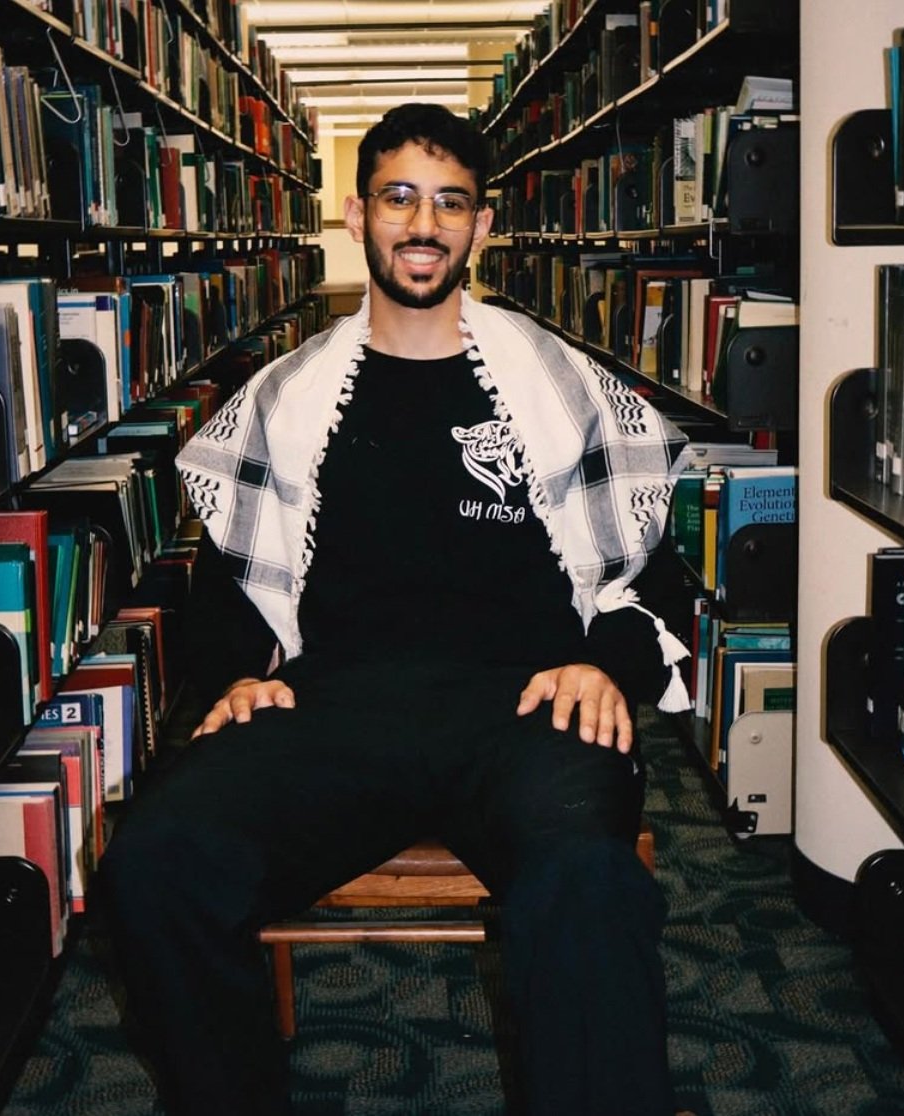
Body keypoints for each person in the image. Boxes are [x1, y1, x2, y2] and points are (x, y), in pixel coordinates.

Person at [98, 102, 696, 1116]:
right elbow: (232, 580)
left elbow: (655, 578)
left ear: (483, 225)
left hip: (528, 712)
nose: (424, 225)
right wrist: (239, 676)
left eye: (451, 203)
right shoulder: (286, 399)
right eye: (400, 198)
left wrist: (608, 665)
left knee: (586, 883)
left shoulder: (565, 388)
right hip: (335, 711)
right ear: (357, 214)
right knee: (155, 864)